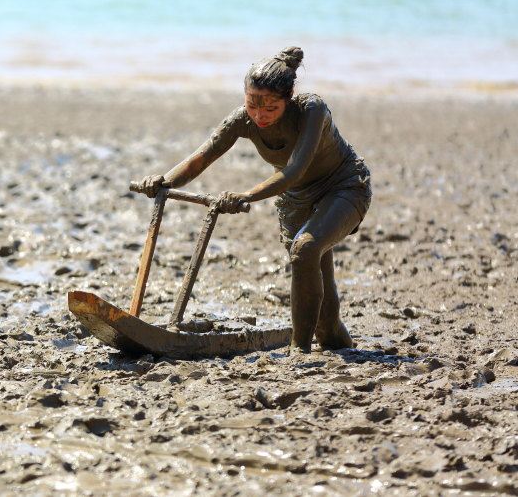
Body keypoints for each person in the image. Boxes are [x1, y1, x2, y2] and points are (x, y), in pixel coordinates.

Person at [137, 47, 371, 353]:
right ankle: (337, 342)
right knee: (325, 323)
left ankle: (299, 351)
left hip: (343, 186)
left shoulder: (312, 110)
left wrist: (245, 195)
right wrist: (164, 180)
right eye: (251, 105)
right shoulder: (243, 120)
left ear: (289, 98)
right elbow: (201, 158)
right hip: (296, 200)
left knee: (305, 249)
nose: (260, 116)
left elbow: (292, 172)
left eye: (271, 109)